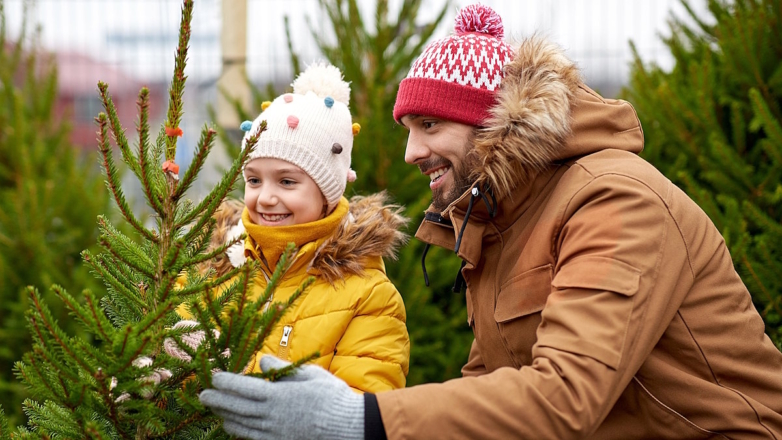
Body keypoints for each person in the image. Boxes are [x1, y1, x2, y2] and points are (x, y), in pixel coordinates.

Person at [200, 4, 782, 439]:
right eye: (408, 130)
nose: (410, 153)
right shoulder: (498, 217)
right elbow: (489, 384)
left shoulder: (616, 201)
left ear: (494, 126)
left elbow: (565, 397)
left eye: (429, 126)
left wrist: (365, 419)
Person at [188, 62, 410, 397]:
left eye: (287, 181)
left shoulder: (368, 295)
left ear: (327, 192)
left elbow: (358, 410)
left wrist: (226, 366)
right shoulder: (213, 265)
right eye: (254, 180)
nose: (266, 197)